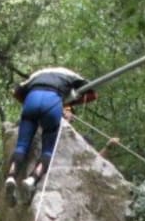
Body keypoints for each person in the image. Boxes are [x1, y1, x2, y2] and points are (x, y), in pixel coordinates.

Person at [5, 67, 97, 205]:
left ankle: (11, 176)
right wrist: (68, 101)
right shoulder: (70, 74)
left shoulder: (36, 75)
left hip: (31, 101)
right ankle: (32, 179)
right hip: (52, 101)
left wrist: (31, 105)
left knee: (21, 146)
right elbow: (92, 94)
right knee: (48, 150)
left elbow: (16, 92)